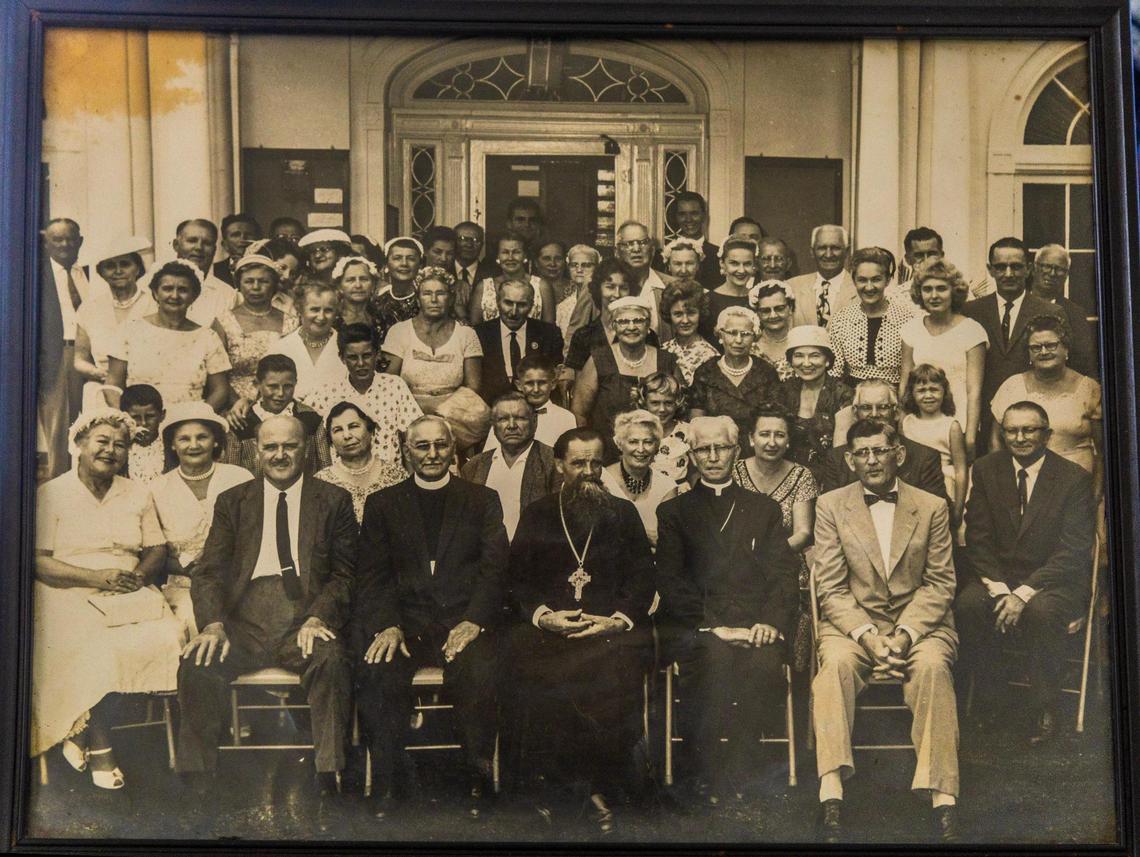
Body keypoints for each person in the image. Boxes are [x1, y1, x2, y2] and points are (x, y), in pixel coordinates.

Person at [176, 415, 357, 800]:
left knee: (332, 659)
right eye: (270, 447)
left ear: (305, 449)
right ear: (257, 452)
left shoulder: (332, 501)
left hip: (304, 617)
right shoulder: (234, 501)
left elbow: (346, 574)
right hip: (245, 620)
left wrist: (318, 616)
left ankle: (330, 774)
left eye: (289, 446)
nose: (280, 455)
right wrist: (212, 625)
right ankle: (198, 779)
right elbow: (208, 572)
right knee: (198, 662)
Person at [811, 419, 961, 843]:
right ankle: (831, 790)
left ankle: (943, 796)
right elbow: (833, 589)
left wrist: (905, 635)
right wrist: (868, 636)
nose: (871, 460)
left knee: (933, 668)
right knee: (835, 666)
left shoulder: (931, 506)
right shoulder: (830, 505)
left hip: (922, 625)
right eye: (861, 453)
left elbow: (940, 583)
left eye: (879, 451)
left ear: (899, 453)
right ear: (849, 459)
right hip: (854, 624)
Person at [354, 416, 509, 819]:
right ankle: (387, 781)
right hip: (405, 626)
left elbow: (496, 569)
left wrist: (474, 621)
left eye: (441, 445)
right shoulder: (383, 504)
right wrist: (387, 624)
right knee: (378, 670)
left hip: (464, 624)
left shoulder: (482, 499)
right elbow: (373, 575)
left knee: (479, 672)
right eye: (422, 446)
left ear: (453, 450)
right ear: (407, 451)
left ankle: (477, 778)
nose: (432, 454)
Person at [505, 428, 656, 835]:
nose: (589, 472)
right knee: (539, 678)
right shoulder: (538, 513)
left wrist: (616, 619)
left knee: (611, 675)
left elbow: (643, 580)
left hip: (608, 633)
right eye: (578, 464)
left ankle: (585, 793)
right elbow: (518, 580)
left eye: (595, 463)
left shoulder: (623, 514)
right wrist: (544, 616)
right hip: (551, 633)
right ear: (559, 466)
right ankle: (585, 795)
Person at [33, 409, 183, 788]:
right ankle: (101, 744)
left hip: (127, 590)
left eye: (120, 445)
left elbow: (156, 549)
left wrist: (138, 576)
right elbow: (39, 562)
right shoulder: (53, 493)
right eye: (102, 441)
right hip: (67, 587)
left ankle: (78, 730)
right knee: (94, 642)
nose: (110, 450)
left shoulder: (137, 493)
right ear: (79, 445)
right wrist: (94, 576)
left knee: (166, 637)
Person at [656, 415, 799, 802]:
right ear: (692, 454)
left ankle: (740, 765)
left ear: (737, 451)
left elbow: (785, 575)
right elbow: (670, 581)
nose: (713, 456)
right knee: (712, 662)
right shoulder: (674, 512)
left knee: (765, 667)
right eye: (704, 448)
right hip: (701, 627)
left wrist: (770, 622)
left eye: (721, 447)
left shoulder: (763, 509)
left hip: (756, 625)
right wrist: (712, 626)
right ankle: (703, 768)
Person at [957, 401, 1096, 745]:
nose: (1019, 438)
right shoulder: (987, 469)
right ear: (1002, 434)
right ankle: (993, 701)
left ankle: (1044, 707)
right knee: (968, 606)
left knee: (1041, 611)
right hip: (999, 577)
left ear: (1046, 435)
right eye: (1011, 430)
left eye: (1029, 430)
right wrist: (1002, 589)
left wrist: (1023, 593)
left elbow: (1073, 550)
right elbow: (977, 537)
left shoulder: (1073, 479)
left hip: (1053, 581)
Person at [150, 401, 254, 639]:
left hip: (238, 584)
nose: (194, 445)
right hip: (184, 586)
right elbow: (155, 552)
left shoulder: (239, 478)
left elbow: (254, 536)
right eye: (184, 439)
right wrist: (191, 569)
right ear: (173, 445)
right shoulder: (157, 488)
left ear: (216, 440)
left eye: (202, 437)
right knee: (189, 622)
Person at [731, 406, 819, 671]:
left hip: (787, 562)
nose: (771, 442)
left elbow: (803, 533)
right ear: (750, 439)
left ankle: (795, 674)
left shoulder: (802, 476)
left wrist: (767, 554)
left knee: (797, 600)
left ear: (789, 440)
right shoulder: (733, 473)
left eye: (779, 435)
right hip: (737, 562)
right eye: (764, 434)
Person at [962, 236, 1065, 450]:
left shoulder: (1050, 311)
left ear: (1028, 269)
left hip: (1033, 421)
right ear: (990, 270)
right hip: (983, 420)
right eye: (1001, 267)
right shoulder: (971, 312)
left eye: (1016, 267)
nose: (1008, 274)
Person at [383, 266, 490, 452]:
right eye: (427, 294)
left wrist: (441, 414)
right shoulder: (399, 332)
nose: (434, 300)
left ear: (451, 298)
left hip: (454, 417)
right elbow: (389, 383)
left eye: (440, 293)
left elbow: (473, 387)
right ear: (418, 298)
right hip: (408, 414)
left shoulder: (466, 334)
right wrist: (418, 412)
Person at [104, 261, 233, 411]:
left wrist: (197, 417)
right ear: (155, 293)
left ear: (194, 296)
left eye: (183, 290)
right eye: (167, 289)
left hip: (187, 426)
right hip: (141, 424)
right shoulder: (130, 330)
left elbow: (220, 390)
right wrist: (131, 420)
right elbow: (112, 385)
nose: (174, 295)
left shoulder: (207, 337)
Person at [989, 314, 1102, 480]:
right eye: (1036, 347)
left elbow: (1103, 451)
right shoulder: (1012, 386)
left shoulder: (1089, 389)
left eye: (1051, 346)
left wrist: (1097, 493)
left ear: (1066, 348)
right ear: (1029, 353)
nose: (1043, 352)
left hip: (1076, 481)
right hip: (1023, 480)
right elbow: (995, 444)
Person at [570, 294, 680, 462]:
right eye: (623, 321)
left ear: (648, 325)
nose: (631, 327)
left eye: (638, 321)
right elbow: (579, 412)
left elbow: (680, 408)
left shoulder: (666, 360)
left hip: (658, 455)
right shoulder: (599, 360)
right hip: (609, 454)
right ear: (614, 326)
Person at [294, 323, 422, 465]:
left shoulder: (394, 387)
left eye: (367, 356)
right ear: (342, 358)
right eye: (353, 357)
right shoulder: (328, 391)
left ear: (377, 354)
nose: (361, 363)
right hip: (342, 481)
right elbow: (299, 419)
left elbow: (415, 435)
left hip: (390, 480)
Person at [898, 258, 987, 460]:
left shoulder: (972, 331)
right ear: (919, 293)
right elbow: (905, 382)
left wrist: (971, 435)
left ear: (953, 291)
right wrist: (902, 424)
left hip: (958, 423)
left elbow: (975, 391)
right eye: (927, 289)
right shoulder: (911, 329)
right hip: (920, 423)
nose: (934, 295)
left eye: (941, 288)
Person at [817, 379, 948, 501]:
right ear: (855, 413)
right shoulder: (837, 459)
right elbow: (830, 512)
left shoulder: (924, 458)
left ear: (896, 413)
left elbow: (937, 513)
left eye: (883, 407)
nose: (874, 414)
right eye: (866, 407)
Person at [74, 235, 157, 412]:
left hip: (147, 390)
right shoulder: (89, 308)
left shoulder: (155, 304)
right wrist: (100, 374)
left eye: (125, 264)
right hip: (102, 386)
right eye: (110, 266)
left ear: (138, 269)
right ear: (101, 273)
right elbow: (79, 359)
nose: (118, 271)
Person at [462, 392, 560, 541]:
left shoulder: (553, 462)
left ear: (535, 421)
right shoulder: (474, 467)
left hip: (534, 555)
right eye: (503, 419)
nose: (512, 426)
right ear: (493, 425)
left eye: (520, 418)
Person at [687, 306, 781, 454]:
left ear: (754, 337)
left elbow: (775, 421)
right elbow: (696, 424)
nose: (738, 340)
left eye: (745, 334)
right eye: (732, 333)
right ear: (720, 335)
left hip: (757, 451)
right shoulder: (705, 372)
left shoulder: (767, 372)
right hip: (715, 450)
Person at [39, 218, 89, 477]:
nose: (65, 244)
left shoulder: (86, 273)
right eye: (57, 239)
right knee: (59, 426)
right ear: (46, 243)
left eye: (70, 238)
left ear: (80, 241)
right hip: (56, 356)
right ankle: (59, 482)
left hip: (87, 355)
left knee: (87, 420)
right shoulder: (37, 276)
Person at [828, 246, 921, 387]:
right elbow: (835, 372)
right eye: (862, 280)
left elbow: (909, 373)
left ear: (887, 280)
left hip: (894, 397)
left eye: (876, 279)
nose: (869, 287)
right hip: (851, 398)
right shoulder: (842, 319)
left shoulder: (906, 320)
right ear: (854, 281)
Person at [224, 355, 330, 477]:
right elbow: (233, 471)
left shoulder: (310, 418)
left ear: (296, 383)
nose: (280, 393)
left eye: (288, 386)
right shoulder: (242, 422)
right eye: (273, 386)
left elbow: (324, 467)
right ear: (258, 384)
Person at [213, 254, 296, 402]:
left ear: (274, 285)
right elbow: (218, 375)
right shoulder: (223, 322)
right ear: (238, 284)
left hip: (281, 400)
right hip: (236, 406)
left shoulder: (291, 322)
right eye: (249, 281)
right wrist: (236, 405)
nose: (256, 287)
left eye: (263, 281)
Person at [777, 325, 854, 481]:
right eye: (798, 355)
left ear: (827, 360)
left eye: (814, 355)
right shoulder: (783, 391)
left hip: (829, 476)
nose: (806, 363)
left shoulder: (842, 394)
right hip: (785, 474)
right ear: (790, 360)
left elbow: (839, 452)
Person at [900, 365, 969, 532]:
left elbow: (961, 470)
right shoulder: (906, 423)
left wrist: (958, 508)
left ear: (944, 392)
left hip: (943, 486)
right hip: (913, 485)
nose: (928, 395)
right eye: (921, 390)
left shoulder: (951, 426)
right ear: (912, 393)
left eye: (934, 389)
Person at [473, 279, 564, 405]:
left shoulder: (549, 334)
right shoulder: (479, 334)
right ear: (498, 302)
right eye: (508, 303)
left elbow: (553, 383)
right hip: (492, 410)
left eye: (522, 305)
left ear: (532, 305)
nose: (514, 312)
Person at [314, 401, 407, 524]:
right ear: (330, 440)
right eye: (338, 430)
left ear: (371, 430)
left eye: (353, 426)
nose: (347, 435)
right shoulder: (321, 482)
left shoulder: (397, 476)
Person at [599, 409, 678, 548]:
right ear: (619, 444)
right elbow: (600, 534)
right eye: (633, 442)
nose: (641, 449)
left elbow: (667, 540)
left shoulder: (667, 486)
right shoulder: (602, 480)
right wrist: (644, 534)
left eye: (648, 442)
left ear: (657, 446)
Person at [151, 219, 237, 327]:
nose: (199, 248)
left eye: (207, 243)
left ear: (214, 250)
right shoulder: (149, 285)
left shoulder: (227, 295)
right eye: (192, 241)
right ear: (176, 245)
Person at [563, 257, 642, 375]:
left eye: (624, 288)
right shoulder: (583, 336)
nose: (617, 294)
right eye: (610, 287)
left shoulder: (643, 334)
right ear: (598, 289)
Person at [265, 280, 342, 400]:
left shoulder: (347, 347)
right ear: (299, 310)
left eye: (328, 310)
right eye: (314, 310)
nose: (321, 317)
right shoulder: (281, 348)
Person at [484, 353, 576, 451]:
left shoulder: (565, 418)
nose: (536, 389)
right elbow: (491, 454)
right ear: (519, 385)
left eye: (542, 383)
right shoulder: (505, 415)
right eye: (529, 383)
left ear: (553, 384)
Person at [1031, 243, 1097, 376]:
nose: (1052, 273)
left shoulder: (1075, 313)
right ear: (1034, 268)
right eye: (1047, 266)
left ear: (1066, 275)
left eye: (1059, 269)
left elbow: (1084, 359)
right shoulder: (1018, 305)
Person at [469, 232, 555, 325]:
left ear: (525, 256)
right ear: (498, 256)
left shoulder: (541, 286)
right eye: (505, 252)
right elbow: (475, 328)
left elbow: (549, 329)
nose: (510, 258)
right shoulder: (483, 287)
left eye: (516, 252)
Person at [785, 225, 856, 326]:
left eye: (835, 248)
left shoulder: (860, 289)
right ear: (812, 252)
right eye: (822, 248)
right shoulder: (791, 287)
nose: (828, 254)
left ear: (847, 252)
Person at [652, 191, 721, 289]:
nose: (688, 219)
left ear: (704, 216)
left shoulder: (717, 255)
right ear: (676, 217)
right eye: (682, 214)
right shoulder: (662, 256)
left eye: (694, 213)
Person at [616, 220, 672, 335]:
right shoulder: (600, 286)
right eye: (629, 244)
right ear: (617, 252)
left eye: (642, 243)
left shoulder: (671, 286)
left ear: (652, 250)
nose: (636, 249)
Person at [699, 236, 758, 344]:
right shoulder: (708, 301)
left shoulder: (758, 299)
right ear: (722, 263)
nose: (741, 270)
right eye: (734, 263)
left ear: (754, 265)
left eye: (747, 264)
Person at [659, 278, 718, 386]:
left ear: (700, 314)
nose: (685, 320)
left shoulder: (710, 356)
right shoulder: (663, 349)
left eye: (691, 313)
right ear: (669, 315)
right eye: (678, 314)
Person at [637, 372, 692, 486]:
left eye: (668, 403)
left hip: (679, 493)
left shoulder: (687, 431)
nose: (662, 409)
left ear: (677, 402)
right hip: (647, 492)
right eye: (655, 403)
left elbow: (695, 470)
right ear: (644, 402)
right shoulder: (635, 431)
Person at [372, 237, 424, 346]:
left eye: (411, 258)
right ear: (386, 264)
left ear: (420, 265)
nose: (404, 263)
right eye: (397, 258)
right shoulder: (378, 302)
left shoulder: (426, 300)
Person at [556, 244, 600, 349]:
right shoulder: (563, 306)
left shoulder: (601, 300)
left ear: (597, 267)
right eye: (574, 265)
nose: (579, 269)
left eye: (586, 265)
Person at [749, 281, 796, 379]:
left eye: (779, 308)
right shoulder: (750, 348)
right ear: (757, 313)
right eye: (765, 311)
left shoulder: (802, 343)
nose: (773, 315)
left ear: (790, 308)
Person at [121, 384, 167, 484]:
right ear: (124, 418)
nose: (143, 423)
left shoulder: (171, 448)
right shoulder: (120, 449)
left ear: (162, 415)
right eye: (135, 417)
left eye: (150, 416)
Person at [888, 226, 945, 302]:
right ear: (907, 259)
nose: (926, 260)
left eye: (932, 254)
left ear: (942, 256)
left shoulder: (957, 292)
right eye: (919, 255)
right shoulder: (895, 298)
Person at [452, 221, 498, 311]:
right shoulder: (443, 271)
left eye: (475, 240)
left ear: (482, 245)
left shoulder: (493, 274)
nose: (469, 245)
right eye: (463, 239)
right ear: (453, 242)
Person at [332, 255, 381, 336]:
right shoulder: (331, 320)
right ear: (339, 286)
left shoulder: (380, 318)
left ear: (373, 285)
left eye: (364, 279)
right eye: (350, 280)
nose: (358, 285)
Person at [212, 213, 262, 287]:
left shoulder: (269, 268)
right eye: (235, 235)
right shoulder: (214, 271)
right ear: (224, 244)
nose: (243, 239)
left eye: (248, 234)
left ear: (258, 240)